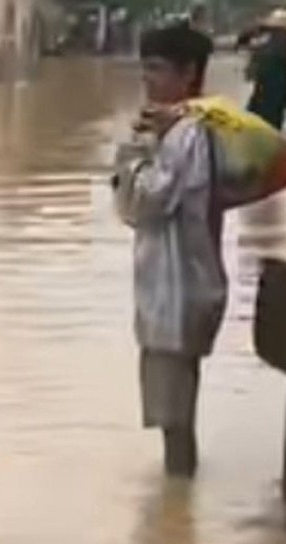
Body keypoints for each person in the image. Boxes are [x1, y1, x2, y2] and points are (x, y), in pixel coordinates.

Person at [113, 24, 224, 478]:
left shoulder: (186, 134)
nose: (148, 80)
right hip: (179, 290)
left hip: (175, 295)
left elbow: (144, 203)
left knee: (174, 420)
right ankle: (179, 510)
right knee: (176, 414)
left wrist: (133, 151)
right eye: (146, 69)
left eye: (157, 70)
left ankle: (177, 509)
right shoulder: (186, 129)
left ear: (189, 73)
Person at [237, 8, 286, 129]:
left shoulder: (267, 36)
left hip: (265, 81)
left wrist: (261, 26)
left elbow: (242, 39)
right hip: (277, 82)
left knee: (257, 113)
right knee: (273, 119)